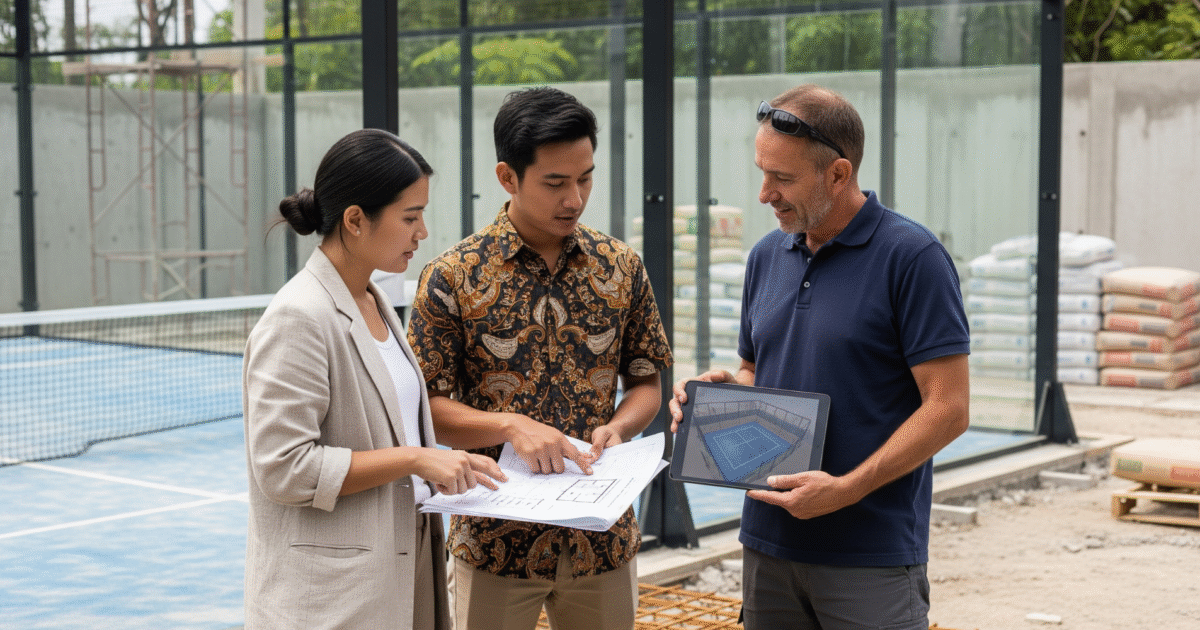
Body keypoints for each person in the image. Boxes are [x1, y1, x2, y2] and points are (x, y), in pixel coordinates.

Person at [669, 84, 971, 630]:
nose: (765, 194)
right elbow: (757, 371)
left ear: (839, 173)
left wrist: (846, 490)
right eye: (763, 172)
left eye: (782, 178)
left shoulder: (913, 258)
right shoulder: (766, 256)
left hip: (870, 555)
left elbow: (949, 407)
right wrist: (726, 395)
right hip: (768, 546)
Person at [407, 86, 673, 630]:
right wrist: (511, 426)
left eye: (585, 177)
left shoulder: (621, 267)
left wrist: (619, 428)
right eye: (555, 182)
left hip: (603, 541)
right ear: (508, 177)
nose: (574, 198)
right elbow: (424, 410)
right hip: (494, 545)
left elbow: (647, 382)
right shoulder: (453, 277)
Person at [242, 128, 505, 630]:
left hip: (398, 579)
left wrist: (434, 464)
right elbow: (283, 468)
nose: (422, 232)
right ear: (356, 221)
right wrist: (415, 459)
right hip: (332, 603)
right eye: (410, 217)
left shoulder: (374, 300)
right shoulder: (299, 317)